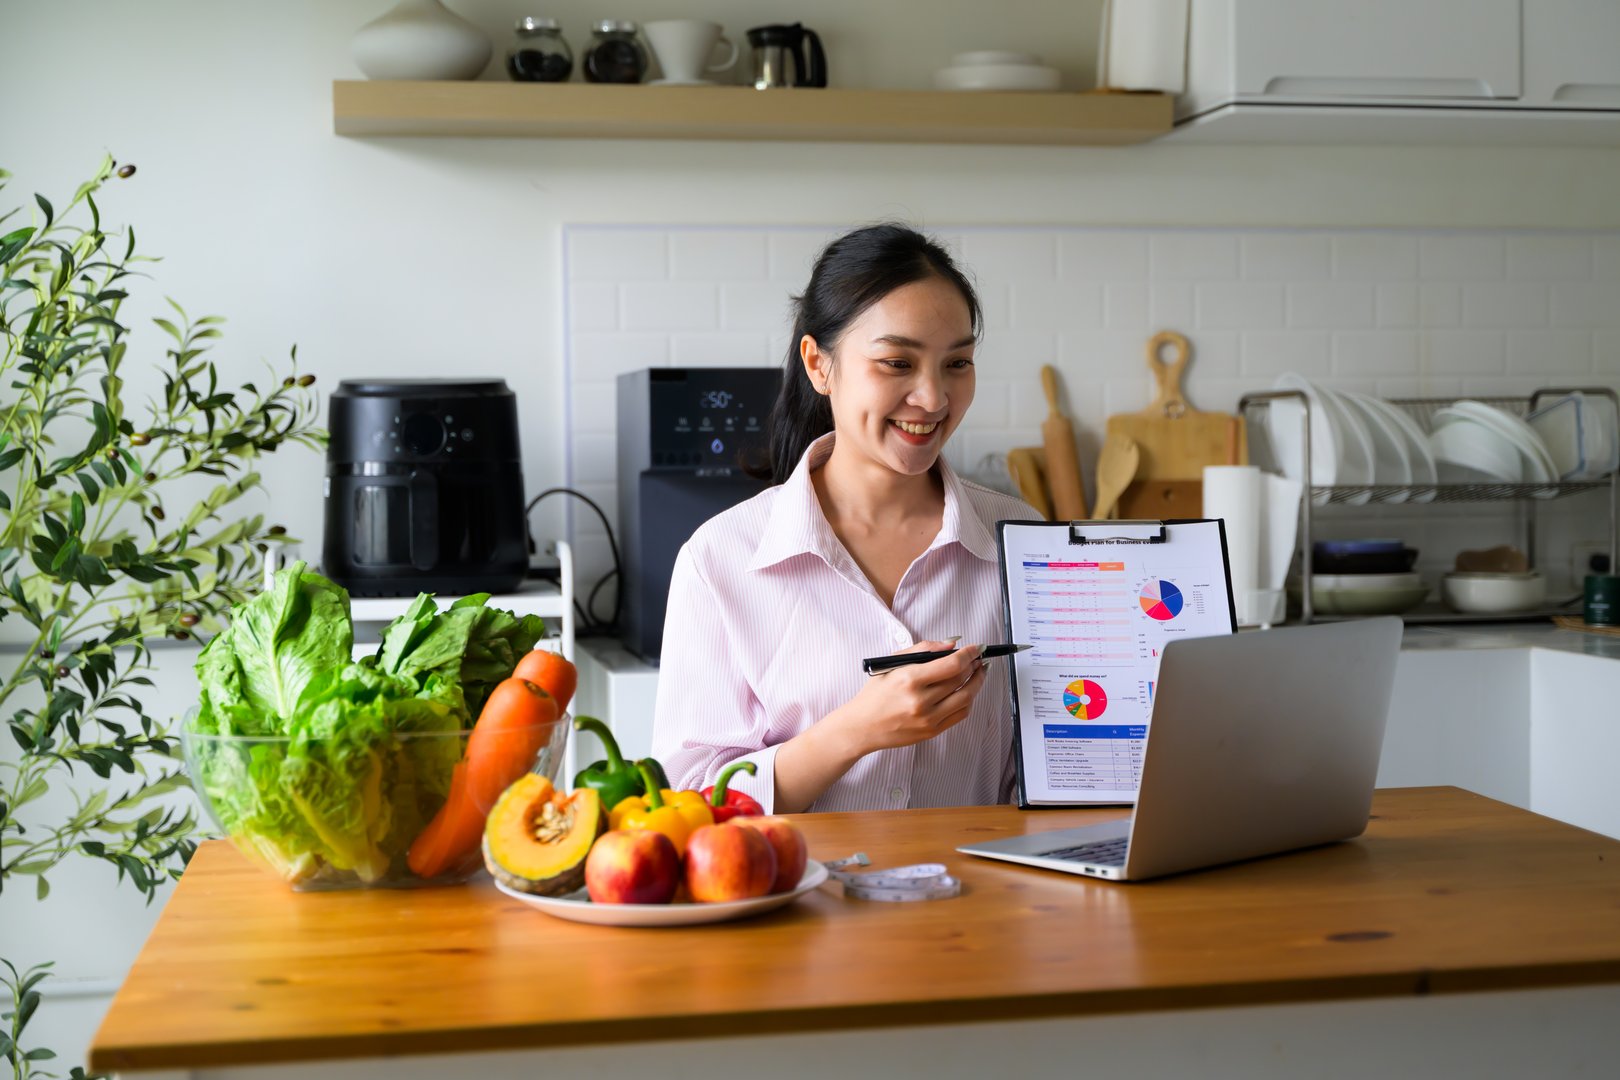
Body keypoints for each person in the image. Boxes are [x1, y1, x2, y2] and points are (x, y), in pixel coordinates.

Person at [649, 223, 1040, 814]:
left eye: (957, 363)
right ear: (819, 365)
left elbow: (1059, 769)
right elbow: (689, 800)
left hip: (977, 878)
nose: (934, 398)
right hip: (799, 878)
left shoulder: (1022, 540)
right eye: (896, 362)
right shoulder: (721, 558)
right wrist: (854, 731)